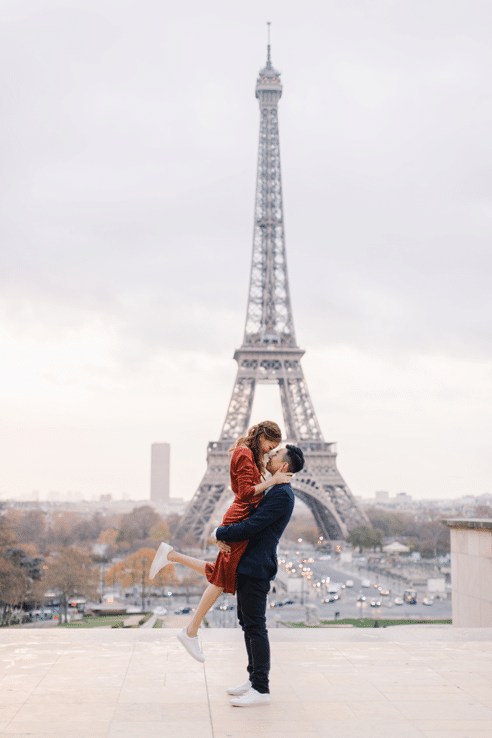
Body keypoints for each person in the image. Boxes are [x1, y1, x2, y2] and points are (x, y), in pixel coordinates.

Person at [148, 421, 291, 662]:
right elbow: (245, 493)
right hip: (240, 517)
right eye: (270, 445)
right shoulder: (245, 454)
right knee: (220, 580)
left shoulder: (248, 453)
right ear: (263, 436)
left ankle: (172, 556)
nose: (269, 450)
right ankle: (190, 632)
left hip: (240, 516)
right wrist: (273, 482)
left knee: (222, 573)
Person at [214, 443, 305, 707]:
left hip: (256, 567)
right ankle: (253, 679)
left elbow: (252, 526)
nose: (269, 455)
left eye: (275, 454)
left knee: (255, 626)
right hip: (250, 564)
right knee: (247, 623)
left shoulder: (281, 495)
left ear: (284, 466)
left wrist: (220, 533)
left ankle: (261, 688)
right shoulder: (276, 489)